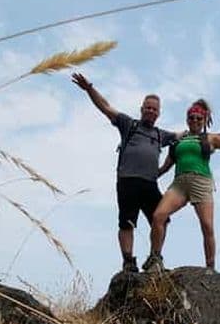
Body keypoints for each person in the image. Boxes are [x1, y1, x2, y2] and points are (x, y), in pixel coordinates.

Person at [71, 72, 178, 272]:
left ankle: (155, 258)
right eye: (148, 108)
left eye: (154, 109)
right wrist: (89, 89)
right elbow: (105, 107)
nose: (151, 111)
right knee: (127, 223)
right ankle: (128, 262)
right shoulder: (129, 125)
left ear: (159, 113)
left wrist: (207, 132)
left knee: (161, 218)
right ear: (142, 109)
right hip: (128, 181)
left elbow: (184, 135)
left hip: (150, 183)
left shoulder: (160, 134)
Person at [144, 99, 220, 272]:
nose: (195, 121)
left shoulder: (210, 138)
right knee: (158, 216)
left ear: (204, 121)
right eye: (192, 118)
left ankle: (210, 268)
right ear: (187, 120)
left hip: (201, 181)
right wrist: (146, 175)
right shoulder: (178, 140)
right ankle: (155, 258)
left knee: (207, 226)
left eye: (198, 119)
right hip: (179, 183)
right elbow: (165, 168)